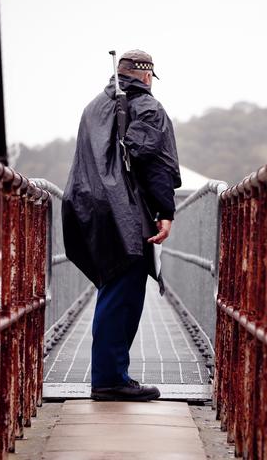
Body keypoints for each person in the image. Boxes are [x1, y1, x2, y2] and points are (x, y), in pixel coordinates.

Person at [62, 49, 181, 401]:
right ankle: (111, 379)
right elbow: (154, 162)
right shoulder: (148, 108)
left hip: (89, 209)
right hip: (125, 213)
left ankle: (110, 375)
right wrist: (165, 211)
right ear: (146, 76)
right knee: (123, 296)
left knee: (110, 290)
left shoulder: (95, 107)